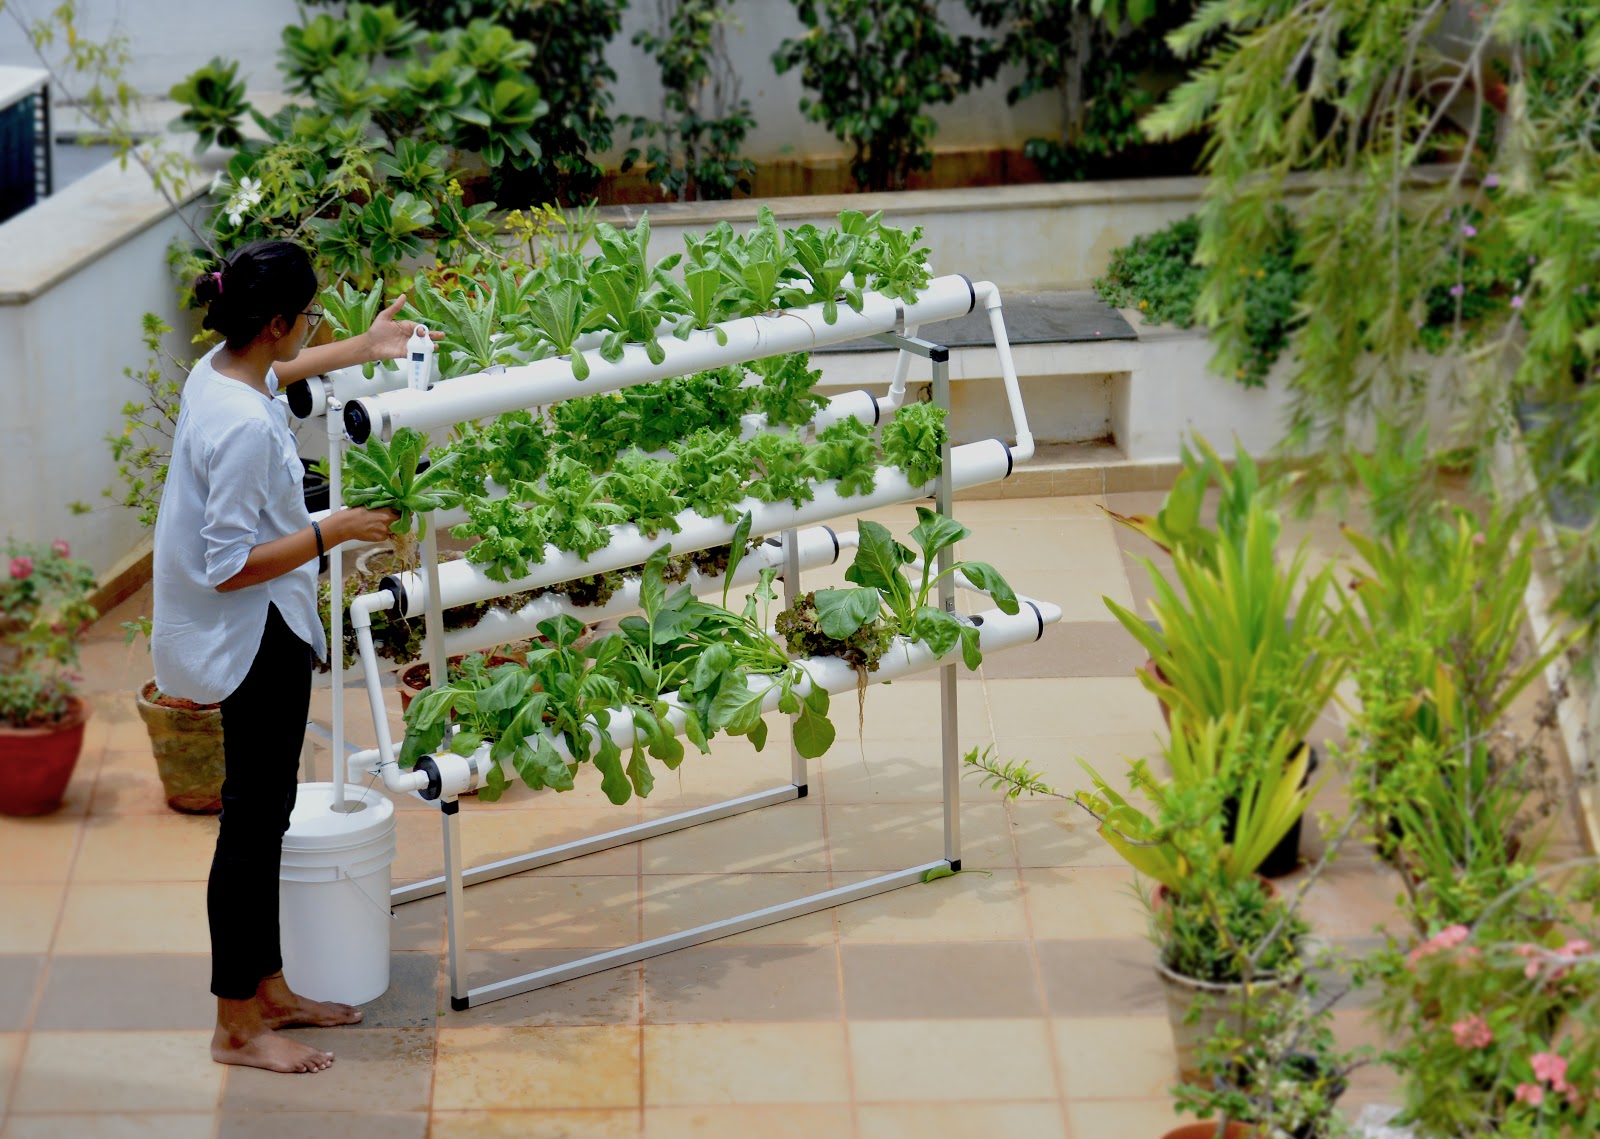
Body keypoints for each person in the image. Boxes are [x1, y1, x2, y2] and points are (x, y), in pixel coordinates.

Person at [152, 240, 441, 1074]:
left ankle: (268, 988)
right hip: (250, 636)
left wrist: (362, 347)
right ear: (273, 322)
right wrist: (335, 530)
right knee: (247, 826)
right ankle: (234, 1025)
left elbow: (279, 376)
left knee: (267, 813)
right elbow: (227, 562)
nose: (310, 327)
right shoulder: (239, 425)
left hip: (263, 626)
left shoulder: (222, 370)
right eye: (308, 317)